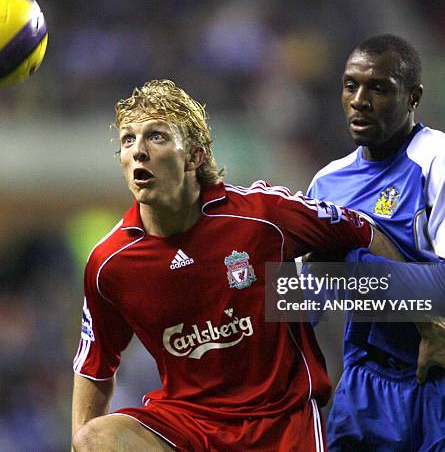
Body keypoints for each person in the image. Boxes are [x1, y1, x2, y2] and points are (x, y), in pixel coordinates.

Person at [70, 79, 402, 452]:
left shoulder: (263, 216)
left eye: (157, 137)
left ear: (194, 156)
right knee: (96, 439)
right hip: (188, 423)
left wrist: (431, 323)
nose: (138, 151)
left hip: (280, 421)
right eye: (128, 140)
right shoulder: (110, 263)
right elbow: (94, 367)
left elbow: (363, 232)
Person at [307, 34, 445, 451]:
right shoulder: (326, 183)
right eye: (351, 85)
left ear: (413, 96)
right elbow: (304, 297)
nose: (360, 100)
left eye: (379, 88)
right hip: (366, 387)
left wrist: (352, 264)